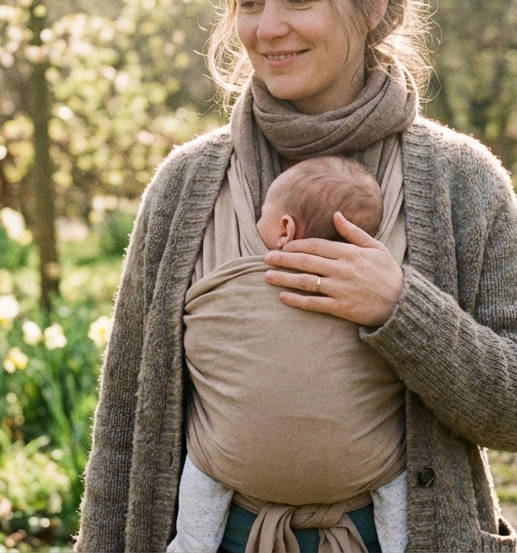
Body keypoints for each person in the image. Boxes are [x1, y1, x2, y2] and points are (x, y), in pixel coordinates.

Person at [76, 0, 517, 553]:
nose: (266, 28)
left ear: (374, 5)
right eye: (248, 2)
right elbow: (122, 427)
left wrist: (403, 308)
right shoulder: (187, 187)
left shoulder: (462, 181)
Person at [173, 156, 404, 553]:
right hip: (375, 471)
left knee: (203, 474)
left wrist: (403, 306)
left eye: (264, 214)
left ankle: (190, 545)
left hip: (223, 463)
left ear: (285, 230)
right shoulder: (185, 180)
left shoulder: (231, 282)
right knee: (398, 483)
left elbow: (202, 322)